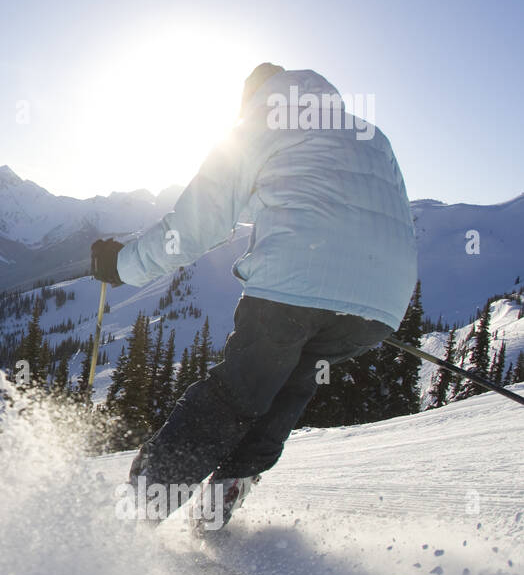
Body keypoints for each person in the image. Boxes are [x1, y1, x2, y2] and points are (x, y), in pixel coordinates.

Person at [91, 63, 417, 529]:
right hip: (380, 303)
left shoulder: (259, 123)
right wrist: (360, 294)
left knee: (234, 396)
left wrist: (120, 264)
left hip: (295, 287)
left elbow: (195, 226)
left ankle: (132, 517)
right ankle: (226, 495)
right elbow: (374, 209)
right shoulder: (370, 134)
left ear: (253, 98)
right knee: (290, 385)